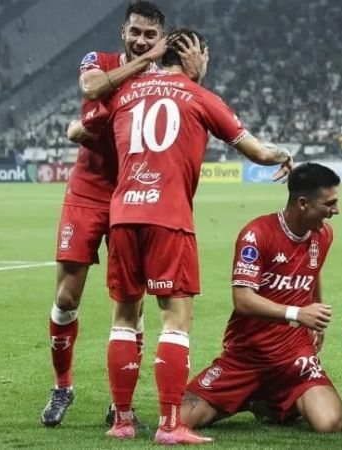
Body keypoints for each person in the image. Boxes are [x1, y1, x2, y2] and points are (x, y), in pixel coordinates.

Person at [78, 29, 294, 444]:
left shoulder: (126, 90)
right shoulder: (200, 97)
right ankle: (169, 424)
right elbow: (259, 153)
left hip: (122, 216)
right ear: (196, 56)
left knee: (123, 320)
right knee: (175, 322)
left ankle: (122, 421)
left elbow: (83, 126)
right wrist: (284, 153)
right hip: (168, 219)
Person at [41, 1, 179, 428]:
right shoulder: (98, 61)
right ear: (123, 32)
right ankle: (63, 386)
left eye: (150, 36)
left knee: (131, 303)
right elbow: (92, 88)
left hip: (134, 194)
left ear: (161, 38)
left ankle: (123, 402)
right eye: (135, 32)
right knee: (66, 298)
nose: (141, 40)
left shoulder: (164, 82)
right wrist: (143, 63)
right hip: (86, 192)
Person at [181, 163, 342, 434]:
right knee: (181, 419)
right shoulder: (257, 234)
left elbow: (313, 273)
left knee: (330, 423)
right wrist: (297, 314)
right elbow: (243, 300)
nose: (335, 211)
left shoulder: (323, 235)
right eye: (330, 203)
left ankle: (267, 400)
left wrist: (315, 320)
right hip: (246, 356)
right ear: (303, 203)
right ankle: (253, 396)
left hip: (294, 356)